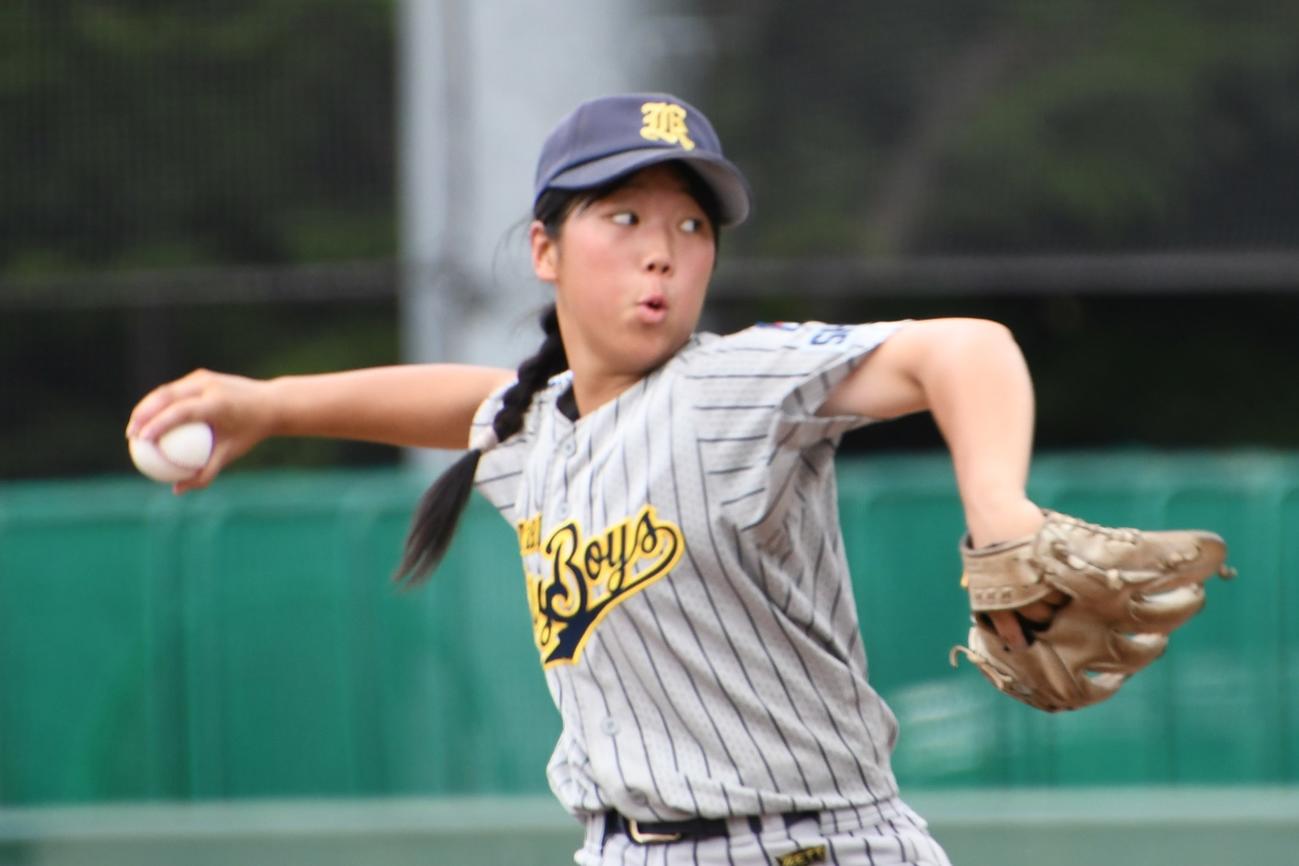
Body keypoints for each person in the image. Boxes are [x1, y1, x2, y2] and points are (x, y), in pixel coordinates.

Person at [128, 93, 1065, 866]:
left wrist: (997, 510)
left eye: (690, 226)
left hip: (811, 846)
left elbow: (966, 348)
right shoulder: (537, 432)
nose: (661, 250)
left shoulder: (732, 384)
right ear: (546, 250)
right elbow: (462, 401)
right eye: (623, 217)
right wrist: (272, 405)